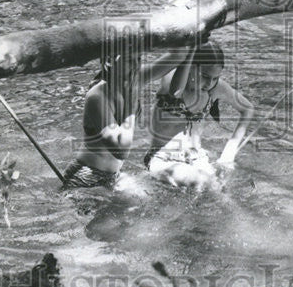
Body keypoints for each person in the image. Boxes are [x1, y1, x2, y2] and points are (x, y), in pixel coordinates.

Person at [61, 44, 199, 190]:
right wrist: (131, 108)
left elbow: (178, 55)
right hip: (87, 177)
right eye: (129, 60)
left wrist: (192, 41)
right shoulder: (97, 96)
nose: (135, 65)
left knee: (154, 198)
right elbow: (121, 151)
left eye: (138, 59)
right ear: (109, 61)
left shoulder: (135, 78)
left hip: (113, 176)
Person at [144, 40, 255, 190]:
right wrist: (190, 49)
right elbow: (175, 91)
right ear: (190, 66)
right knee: (203, 182)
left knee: (225, 187)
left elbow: (247, 108)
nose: (210, 83)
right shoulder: (171, 78)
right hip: (163, 158)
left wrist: (229, 153)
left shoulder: (216, 88)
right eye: (205, 76)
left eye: (215, 78)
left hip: (196, 157)